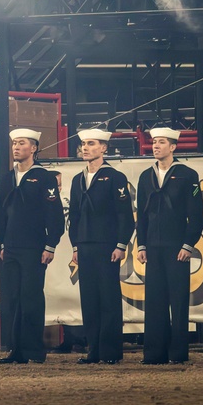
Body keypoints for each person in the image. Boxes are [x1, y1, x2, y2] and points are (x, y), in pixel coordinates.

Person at [135, 127, 203, 365]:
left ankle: (178, 354)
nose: (155, 146)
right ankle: (155, 354)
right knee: (154, 301)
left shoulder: (188, 174)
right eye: (154, 142)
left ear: (173, 147)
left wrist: (188, 244)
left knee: (178, 301)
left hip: (177, 247)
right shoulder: (146, 176)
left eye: (161, 142)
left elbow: (196, 215)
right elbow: (141, 216)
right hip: (153, 247)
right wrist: (141, 244)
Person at [0, 128, 65, 365]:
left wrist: (50, 245)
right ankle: (16, 350)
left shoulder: (44, 177)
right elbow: (3, 215)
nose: (16, 147)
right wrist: (3, 243)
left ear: (33, 148)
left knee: (31, 298)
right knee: (13, 299)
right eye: (14, 143)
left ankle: (34, 350)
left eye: (22, 143)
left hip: (35, 247)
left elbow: (54, 214)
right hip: (11, 247)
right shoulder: (7, 178)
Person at [68, 128, 135, 365]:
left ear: (104, 148)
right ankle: (93, 350)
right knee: (89, 299)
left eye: (91, 144)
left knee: (108, 299)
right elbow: (73, 216)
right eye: (84, 144)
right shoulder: (77, 179)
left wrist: (120, 244)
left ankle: (110, 352)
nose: (85, 148)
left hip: (108, 246)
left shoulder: (115, 177)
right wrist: (75, 246)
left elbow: (125, 215)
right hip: (84, 246)